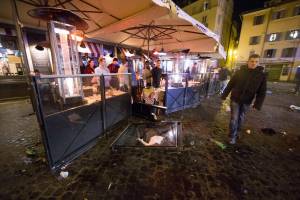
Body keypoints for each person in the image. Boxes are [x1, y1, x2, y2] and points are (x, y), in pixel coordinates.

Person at [221, 54, 267, 144]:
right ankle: (232, 136)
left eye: (256, 62)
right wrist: (224, 95)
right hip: (235, 99)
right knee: (234, 118)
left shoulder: (261, 76)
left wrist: (258, 104)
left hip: (247, 101)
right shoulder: (240, 72)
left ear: (258, 63)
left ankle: (238, 131)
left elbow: (262, 91)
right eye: (252, 61)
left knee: (241, 118)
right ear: (248, 62)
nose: (254, 63)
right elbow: (231, 84)